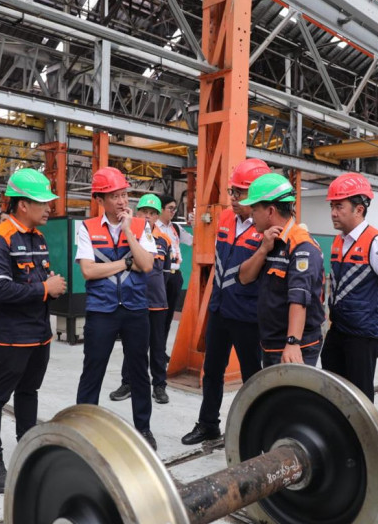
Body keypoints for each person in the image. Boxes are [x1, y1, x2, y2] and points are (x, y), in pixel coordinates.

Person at [0, 169, 66, 493]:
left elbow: (31, 283)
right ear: (23, 205)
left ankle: (28, 448)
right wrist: (44, 288)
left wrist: (49, 288)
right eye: (43, 202)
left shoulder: (37, 238)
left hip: (38, 335)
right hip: (10, 337)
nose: (49, 208)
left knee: (29, 393)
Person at [181, 158, 268, 445]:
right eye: (232, 192)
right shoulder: (227, 218)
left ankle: (254, 431)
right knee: (212, 371)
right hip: (220, 310)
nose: (232, 199)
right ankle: (208, 425)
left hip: (248, 315)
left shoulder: (266, 227)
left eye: (239, 194)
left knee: (252, 376)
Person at [75, 167, 157, 449]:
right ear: (101, 199)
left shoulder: (140, 226)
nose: (123, 201)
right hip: (102, 310)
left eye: (124, 194)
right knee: (93, 370)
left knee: (138, 370)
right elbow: (88, 271)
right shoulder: (86, 228)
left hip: (135, 309)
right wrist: (124, 263)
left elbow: (146, 265)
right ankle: (84, 428)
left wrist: (128, 233)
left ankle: (143, 428)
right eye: (115, 196)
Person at [320, 173, 378, 402]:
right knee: (332, 388)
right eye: (332, 206)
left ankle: (362, 438)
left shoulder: (377, 244)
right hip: (339, 329)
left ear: (359, 209)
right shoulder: (339, 241)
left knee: (359, 396)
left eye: (339, 206)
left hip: (363, 335)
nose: (333, 213)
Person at [237, 173, 325, 366]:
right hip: (271, 341)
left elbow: (299, 298)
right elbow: (244, 278)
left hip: (294, 346)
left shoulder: (301, 246)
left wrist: (292, 342)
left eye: (254, 209)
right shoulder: (269, 241)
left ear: (270, 211)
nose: (251, 216)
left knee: (291, 396)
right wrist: (262, 249)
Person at [110, 194, 173, 404]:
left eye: (152, 213)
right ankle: (128, 383)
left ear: (157, 217)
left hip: (157, 302)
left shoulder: (165, 241)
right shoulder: (128, 237)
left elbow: (164, 273)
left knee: (157, 347)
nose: (147, 217)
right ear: (137, 213)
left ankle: (159, 386)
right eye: (144, 212)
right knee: (133, 346)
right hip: (134, 301)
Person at [155, 195, 193, 351]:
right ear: (161, 209)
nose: (173, 211)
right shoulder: (153, 227)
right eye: (170, 208)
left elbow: (193, 241)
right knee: (157, 316)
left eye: (174, 208)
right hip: (159, 276)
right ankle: (154, 351)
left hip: (174, 276)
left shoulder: (175, 228)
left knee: (169, 315)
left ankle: (161, 351)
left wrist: (197, 224)